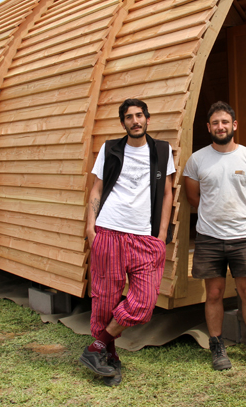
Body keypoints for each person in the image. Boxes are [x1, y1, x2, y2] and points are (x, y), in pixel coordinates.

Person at [79, 98, 176, 385]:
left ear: (148, 118)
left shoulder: (162, 150)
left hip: (145, 237)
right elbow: (96, 188)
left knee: (144, 302)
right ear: (123, 123)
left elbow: (168, 193)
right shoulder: (110, 149)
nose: (135, 120)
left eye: (139, 115)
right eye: (129, 117)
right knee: (105, 300)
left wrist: (161, 235)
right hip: (108, 229)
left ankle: (96, 346)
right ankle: (108, 359)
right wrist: (89, 227)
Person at [183, 101, 246, 370]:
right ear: (208, 127)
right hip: (209, 238)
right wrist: (215, 214)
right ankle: (217, 346)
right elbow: (192, 197)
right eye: (215, 123)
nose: (220, 127)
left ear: (234, 125)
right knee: (213, 293)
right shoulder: (197, 159)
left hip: (243, 236)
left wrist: (235, 213)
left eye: (225, 122)